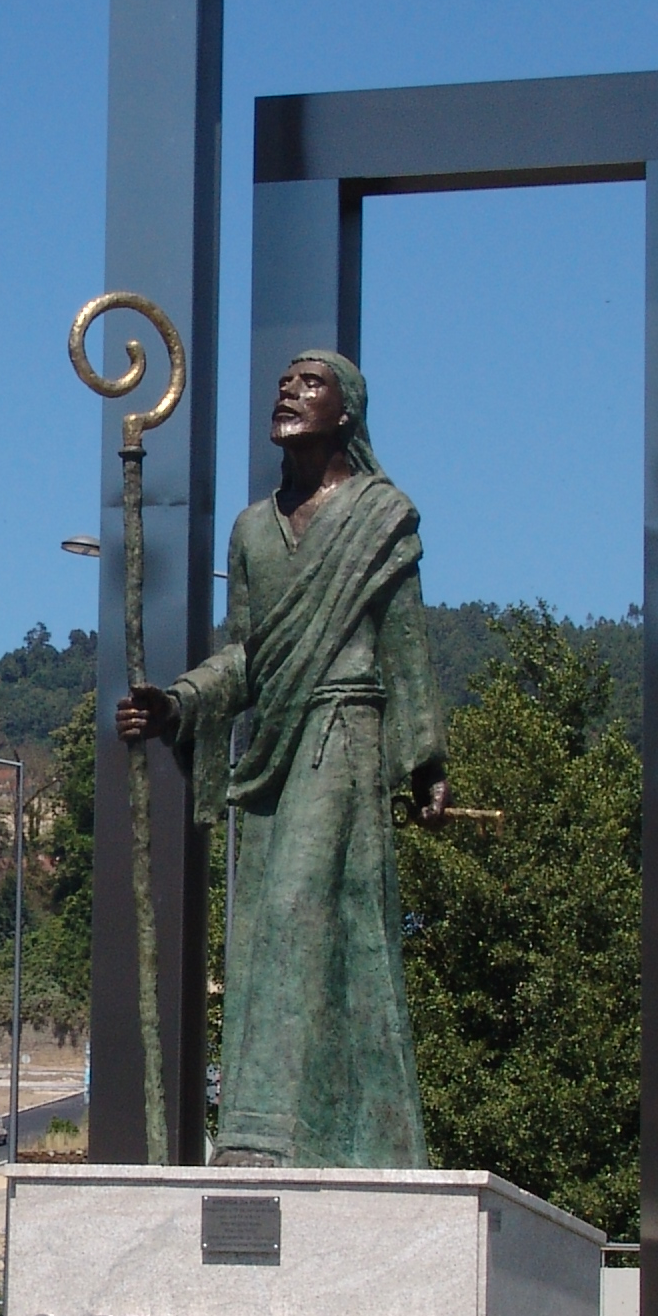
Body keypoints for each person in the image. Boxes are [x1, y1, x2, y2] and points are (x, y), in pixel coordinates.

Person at [118, 349, 447, 1168]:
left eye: (311, 384)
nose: (288, 394)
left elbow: (404, 646)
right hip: (273, 753)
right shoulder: (253, 529)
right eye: (283, 383)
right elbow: (249, 658)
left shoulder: (380, 515)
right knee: (272, 930)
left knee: (304, 909)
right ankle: (331, 1133)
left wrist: (426, 759)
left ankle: (260, 1134)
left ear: (347, 411)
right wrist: (180, 702)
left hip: (346, 730)